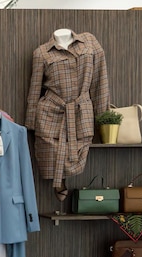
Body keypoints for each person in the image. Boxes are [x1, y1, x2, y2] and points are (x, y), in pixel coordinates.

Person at [25, 28, 110, 201]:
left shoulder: (90, 42)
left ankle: (64, 178)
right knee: (51, 150)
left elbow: (100, 81)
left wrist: (103, 118)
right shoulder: (42, 53)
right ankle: (59, 181)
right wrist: (31, 123)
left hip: (81, 110)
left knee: (79, 147)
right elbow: (34, 90)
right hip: (51, 111)